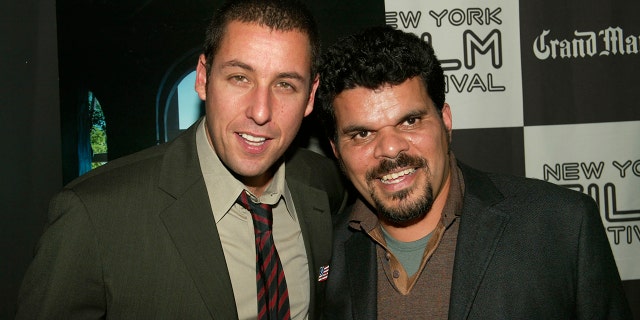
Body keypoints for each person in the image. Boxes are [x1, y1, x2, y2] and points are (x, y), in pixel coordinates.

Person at [16, 0, 347, 319]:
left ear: (310, 96)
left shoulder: (322, 182)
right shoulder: (94, 216)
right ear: (202, 78)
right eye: (239, 78)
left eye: (285, 85)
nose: (260, 112)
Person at [315, 25, 632, 319]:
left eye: (410, 121)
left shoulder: (561, 226)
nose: (390, 148)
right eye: (362, 134)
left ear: (445, 121)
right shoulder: (322, 251)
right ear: (335, 149)